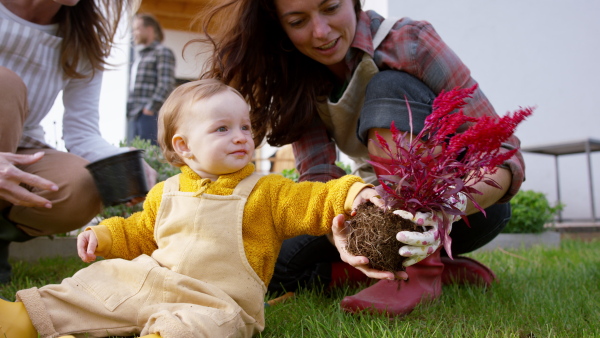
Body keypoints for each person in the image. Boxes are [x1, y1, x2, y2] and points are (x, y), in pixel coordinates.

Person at [193, 0, 526, 316]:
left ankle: (421, 273)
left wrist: (439, 208)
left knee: (387, 84)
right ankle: (403, 272)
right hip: (380, 205)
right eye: (298, 21)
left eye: (331, 7)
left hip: (467, 207)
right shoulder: (295, 80)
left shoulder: (409, 41)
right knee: (275, 265)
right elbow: (319, 177)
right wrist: (339, 233)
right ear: (280, 26)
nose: (321, 32)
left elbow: (504, 153)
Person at [0, 79, 395, 338]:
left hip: (218, 300)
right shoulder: (166, 191)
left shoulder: (266, 191)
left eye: (245, 127)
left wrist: (351, 192)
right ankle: (23, 319)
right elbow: (140, 231)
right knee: (99, 285)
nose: (241, 136)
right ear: (184, 146)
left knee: (198, 329)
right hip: (152, 281)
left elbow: (314, 198)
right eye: (222, 129)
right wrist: (102, 235)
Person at [0, 0, 157, 285]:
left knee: (84, 183)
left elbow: (82, 133)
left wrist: (126, 161)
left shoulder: (82, 35)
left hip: (23, 149)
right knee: (4, 85)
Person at [127, 13, 176, 146]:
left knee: (150, 157)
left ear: (149, 29)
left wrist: (149, 109)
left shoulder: (162, 52)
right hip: (135, 116)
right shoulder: (140, 56)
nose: (134, 33)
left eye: (137, 29)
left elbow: (166, 85)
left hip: (149, 116)